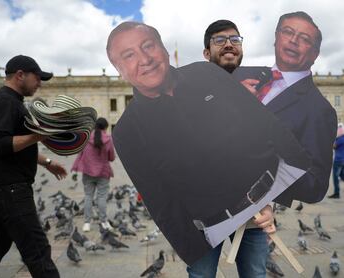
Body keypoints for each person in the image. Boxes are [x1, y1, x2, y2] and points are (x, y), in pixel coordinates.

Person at [107, 21, 309, 274]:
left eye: (148, 46)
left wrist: (274, 198)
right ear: (119, 70)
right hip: (205, 228)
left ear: (164, 50)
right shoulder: (127, 131)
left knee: (256, 273)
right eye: (129, 55)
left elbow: (266, 126)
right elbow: (161, 203)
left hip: (261, 199)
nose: (145, 59)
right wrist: (194, 249)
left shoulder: (207, 74)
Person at [0, 55, 67, 278]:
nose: (40, 83)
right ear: (20, 75)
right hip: (9, 189)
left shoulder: (11, 101)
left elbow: (15, 144)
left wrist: (47, 162)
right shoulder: (5, 101)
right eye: (37, 78)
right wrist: (38, 135)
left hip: (3, 187)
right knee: (37, 250)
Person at [188, 19, 273, 278]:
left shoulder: (263, 94)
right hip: (203, 216)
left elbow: (272, 152)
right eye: (219, 40)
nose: (229, 44)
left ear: (241, 48)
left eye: (235, 39)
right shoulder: (186, 94)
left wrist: (271, 204)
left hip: (253, 213)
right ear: (206, 52)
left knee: (256, 275)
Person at [234, 11, 337, 206]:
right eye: (288, 32)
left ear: (314, 54)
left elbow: (314, 186)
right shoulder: (237, 75)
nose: (293, 41)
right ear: (276, 37)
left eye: (304, 38)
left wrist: (259, 160)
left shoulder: (319, 110)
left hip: (246, 217)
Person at [71, 117, 115, 232]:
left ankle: (87, 223)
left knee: (88, 196)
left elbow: (80, 154)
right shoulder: (108, 139)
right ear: (105, 127)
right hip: (103, 173)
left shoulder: (86, 137)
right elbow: (111, 157)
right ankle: (104, 221)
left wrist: (75, 168)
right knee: (101, 197)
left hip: (88, 172)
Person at [330, 130, 344, 198]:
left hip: (338, 160)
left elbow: (334, 146)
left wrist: (334, 139)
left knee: (335, 177)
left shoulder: (340, 139)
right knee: (342, 176)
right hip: (342, 160)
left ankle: (336, 193)